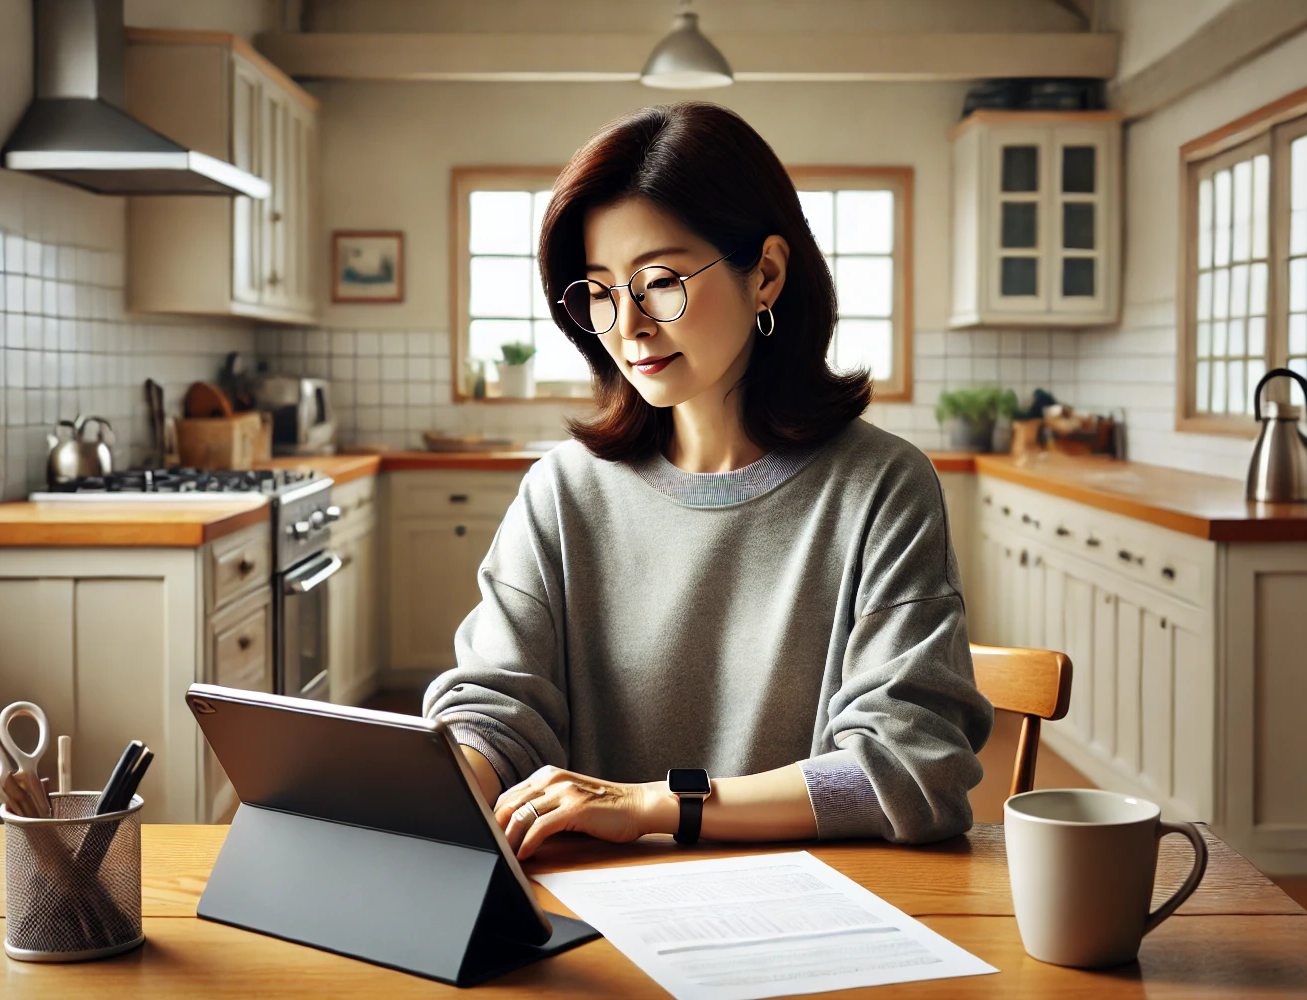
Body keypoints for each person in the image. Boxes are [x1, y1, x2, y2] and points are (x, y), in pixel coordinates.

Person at [422, 101, 992, 860]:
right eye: (599, 290)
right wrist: (440, 783)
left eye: (659, 281)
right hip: (594, 907)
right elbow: (496, 713)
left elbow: (911, 768)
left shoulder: (882, 487)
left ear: (767, 275)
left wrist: (654, 806)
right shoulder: (561, 493)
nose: (629, 325)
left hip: (816, 901)